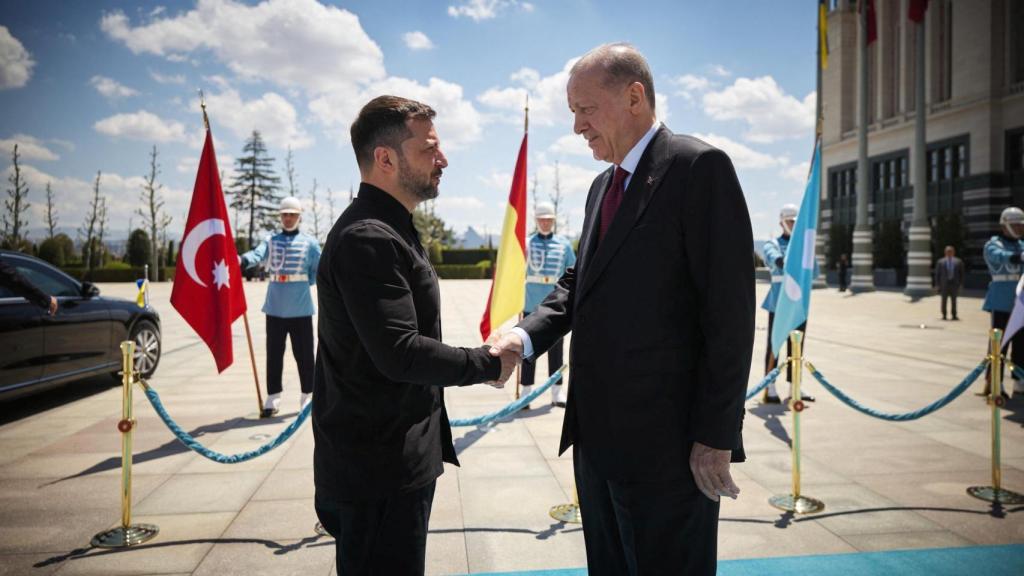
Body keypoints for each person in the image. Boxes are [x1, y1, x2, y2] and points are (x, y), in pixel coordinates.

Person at [489, 43, 753, 576]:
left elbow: (730, 316)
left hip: (669, 450)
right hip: (597, 442)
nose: (577, 127)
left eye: (585, 109)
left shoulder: (698, 168)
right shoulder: (599, 187)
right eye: (572, 113)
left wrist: (715, 435)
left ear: (634, 97)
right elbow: (576, 281)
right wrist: (526, 336)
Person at [312, 95, 516, 576]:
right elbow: (400, 352)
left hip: (390, 458)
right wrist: (489, 362)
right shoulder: (369, 237)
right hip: (376, 470)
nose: (442, 159)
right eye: (428, 149)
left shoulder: (391, 227)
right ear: (385, 159)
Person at [239, 197, 321, 417]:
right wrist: (241, 260)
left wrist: (304, 283)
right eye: (284, 214)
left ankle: (307, 395)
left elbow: (318, 268)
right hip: (275, 307)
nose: (288, 218)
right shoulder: (271, 240)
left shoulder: (310, 243)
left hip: (301, 308)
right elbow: (257, 255)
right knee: (274, 354)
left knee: (304, 355)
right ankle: (273, 397)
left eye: (292, 214)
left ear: (299, 217)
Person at [521, 201, 576, 409]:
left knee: (556, 351)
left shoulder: (563, 245)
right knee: (527, 349)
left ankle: (556, 391)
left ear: (553, 221)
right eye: (542, 219)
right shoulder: (526, 244)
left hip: (555, 305)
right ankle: (526, 392)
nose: (545, 223)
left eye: (549, 220)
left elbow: (572, 270)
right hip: (531, 302)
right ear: (536, 221)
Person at [983, 206, 1024, 397]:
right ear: (1005, 225)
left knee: (1022, 344)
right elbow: (998, 257)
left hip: (1020, 304)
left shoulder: (1021, 245)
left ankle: (1019, 381)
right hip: (1001, 302)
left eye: (1021, 225)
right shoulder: (994, 245)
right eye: (1016, 225)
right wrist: (1018, 257)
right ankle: (994, 383)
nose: (1019, 229)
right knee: (999, 345)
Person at [934, 245, 963, 321]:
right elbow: (937, 274)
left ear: (953, 252)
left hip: (954, 284)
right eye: (948, 251)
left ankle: (954, 315)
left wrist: (961, 284)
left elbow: (961, 274)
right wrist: (937, 284)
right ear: (945, 252)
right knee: (944, 300)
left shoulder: (958, 261)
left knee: (954, 300)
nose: (949, 253)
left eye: (951, 251)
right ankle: (944, 315)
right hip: (944, 284)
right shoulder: (940, 262)